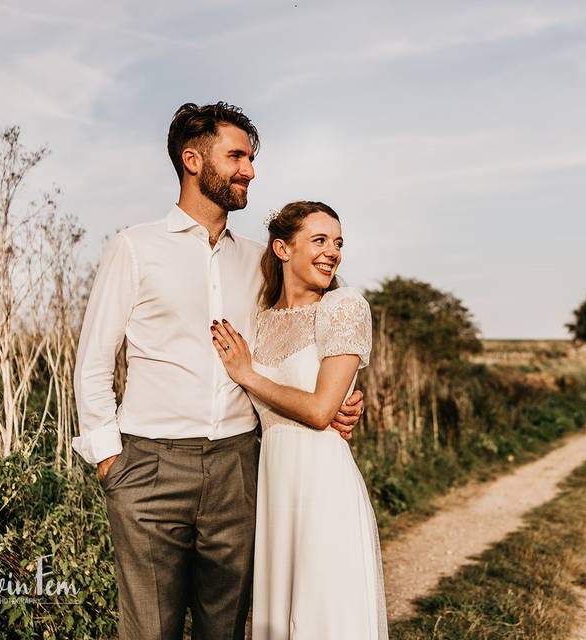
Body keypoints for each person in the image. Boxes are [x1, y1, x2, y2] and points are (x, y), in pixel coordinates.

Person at [72, 103, 364, 640]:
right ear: (192, 159)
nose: (249, 170)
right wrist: (110, 459)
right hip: (149, 466)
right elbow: (93, 360)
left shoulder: (259, 261)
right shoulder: (134, 249)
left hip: (240, 467)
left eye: (251, 158)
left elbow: (311, 327)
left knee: (225, 630)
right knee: (149, 632)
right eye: (236, 156)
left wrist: (341, 395)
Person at [210, 201, 388, 639]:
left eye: (339, 242)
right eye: (320, 240)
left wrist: (248, 374)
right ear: (283, 249)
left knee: (321, 614)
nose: (333, 252)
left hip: (323, 485)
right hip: (274, 484)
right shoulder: (262, 320)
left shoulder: (343, 308)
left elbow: (320, 409)